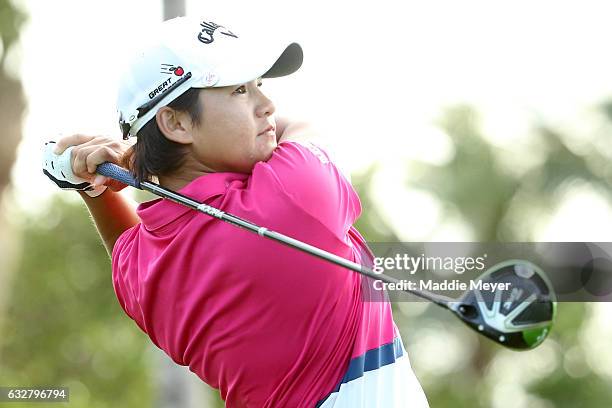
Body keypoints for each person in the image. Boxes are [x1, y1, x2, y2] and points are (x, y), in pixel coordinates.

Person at [42, 16, 430, 408]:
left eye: (258, 85)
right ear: (175, 122)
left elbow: (127, 249)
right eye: (240, 90)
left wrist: (96, 185)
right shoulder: (295, 195)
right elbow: (300, 124)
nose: (267, 105)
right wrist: (133, 162)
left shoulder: (140, 271)